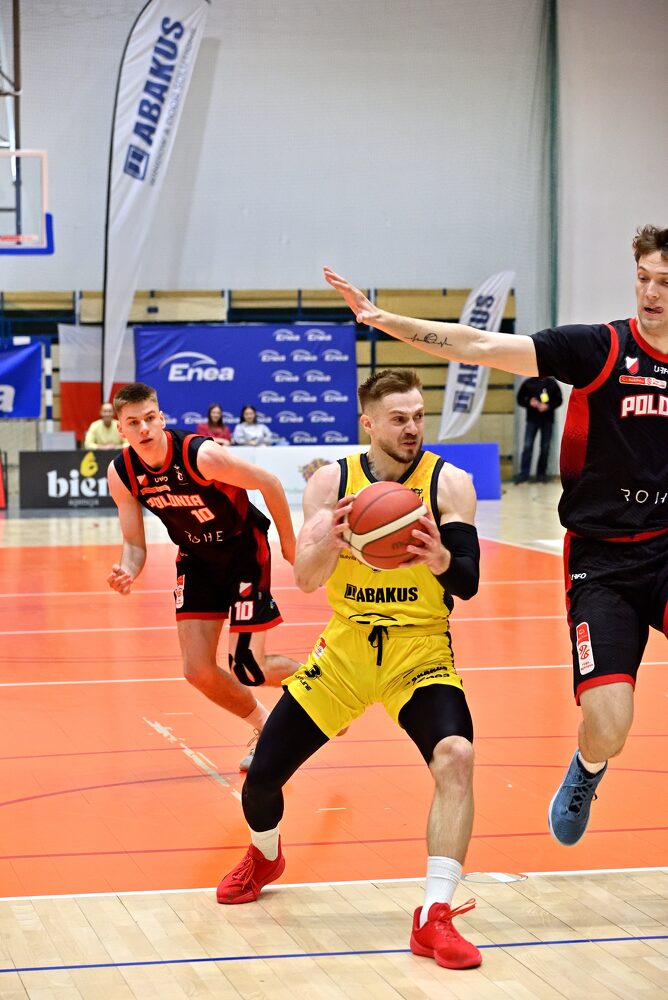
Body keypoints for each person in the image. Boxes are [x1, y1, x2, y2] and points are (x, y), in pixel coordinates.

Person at [323, 223, 668, 849]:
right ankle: (589, 767)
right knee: (610, 725)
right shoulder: (601, 349)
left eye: (664, 283)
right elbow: (480, 343)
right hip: (604, 562)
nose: (649, 293)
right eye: (643, 278)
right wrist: (384, 319)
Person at [217, 368, 483, 971]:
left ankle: (434, 915)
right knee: (261, 780)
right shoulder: (332, 482)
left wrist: (440, 557)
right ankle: (265, 855)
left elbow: (467, 582)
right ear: (368, 423)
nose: (412, 428)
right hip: (344, 651)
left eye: (418, 416)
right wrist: (332, 541)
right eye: (399, 418)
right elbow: (307, 580)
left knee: (457, 756)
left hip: (419, 649)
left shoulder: (449, 483)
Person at [107, 382, 299, 770]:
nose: (144, 428)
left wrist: (290, 545)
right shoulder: (122, 472)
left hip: (243, 551)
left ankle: (323, 683)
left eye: (149, 418)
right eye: (134, 422)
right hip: (196, 559)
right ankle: (266, 730)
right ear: (120, 428)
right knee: (197, 670)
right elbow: (134, 543)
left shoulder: (201, 455)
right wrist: (127, 568)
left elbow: (270, 482)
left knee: (248, 666)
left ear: (161, 418)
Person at [515, 375, 562, 483]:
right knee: (527, 446)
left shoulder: (551, 383)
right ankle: (524, 474)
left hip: (547, 420)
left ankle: (541, 474)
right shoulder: (528, 383)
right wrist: (529, 403)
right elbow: (520, 399)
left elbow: (559, 400)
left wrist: (548, 406)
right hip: (532, 420)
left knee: (545, 447)